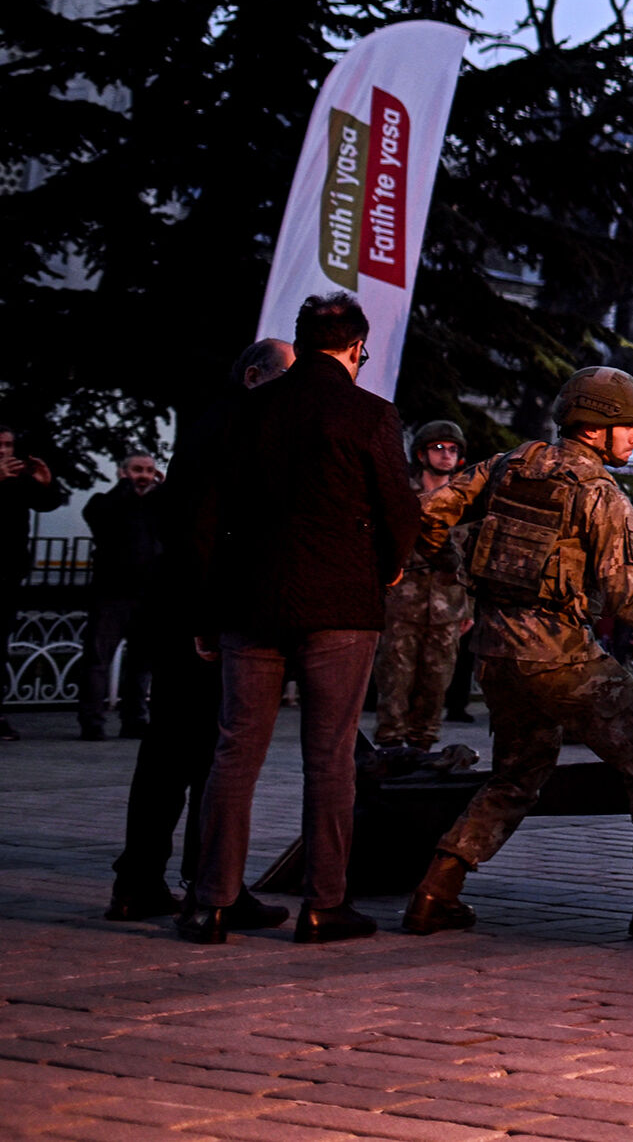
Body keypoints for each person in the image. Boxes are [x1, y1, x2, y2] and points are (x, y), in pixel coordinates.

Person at [399, 366, 633, 938]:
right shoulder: (600, 496)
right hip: (559, 656)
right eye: (629, 426)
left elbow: (430, 513)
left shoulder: (511, 462)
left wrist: (452, 572)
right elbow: (631, 603)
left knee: (516, 774)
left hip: (494, 654)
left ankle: (435, 891)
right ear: (595, 427)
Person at [181, 292, 418, 945]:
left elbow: (207, 514)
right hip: (340, 603)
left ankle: (212, 901)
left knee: (235, 750)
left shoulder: (248, 411)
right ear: (356, 348)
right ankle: (324, 903)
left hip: (249, 602)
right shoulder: (369, 414)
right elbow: (399, 509)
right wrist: (389, 566)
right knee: (330, 756)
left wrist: (207, 607)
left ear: (302, 340)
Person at [371, 420, 471, 754]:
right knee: (394, 681)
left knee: (436, 684)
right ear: (421, 453)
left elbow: (473, 557)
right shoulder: (402, 494)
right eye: (438, 448)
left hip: (447, 606)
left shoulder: (465, 501)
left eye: (452, 450)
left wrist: (469, 606)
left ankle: (422, 748)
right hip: (401, 604)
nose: (446, 456)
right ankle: (390, 746)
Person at [79, 452, 167, 740]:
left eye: (149, 470)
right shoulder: (105, 503)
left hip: (149, 594)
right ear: (122, 473)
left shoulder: (158, 506)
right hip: (111, 594)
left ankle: (135, 718)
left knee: (141, 663)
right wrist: (126, 490)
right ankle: (92, 720)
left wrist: (164, 494)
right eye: (137, 469)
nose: (144, 475)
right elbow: (101, 516)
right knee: (98, 660)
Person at [0, 423, 66, 742]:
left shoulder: (17, 480)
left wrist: (46, 484)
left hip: (8, 571)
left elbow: (47, 503)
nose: (4, 451)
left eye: (8, 445)